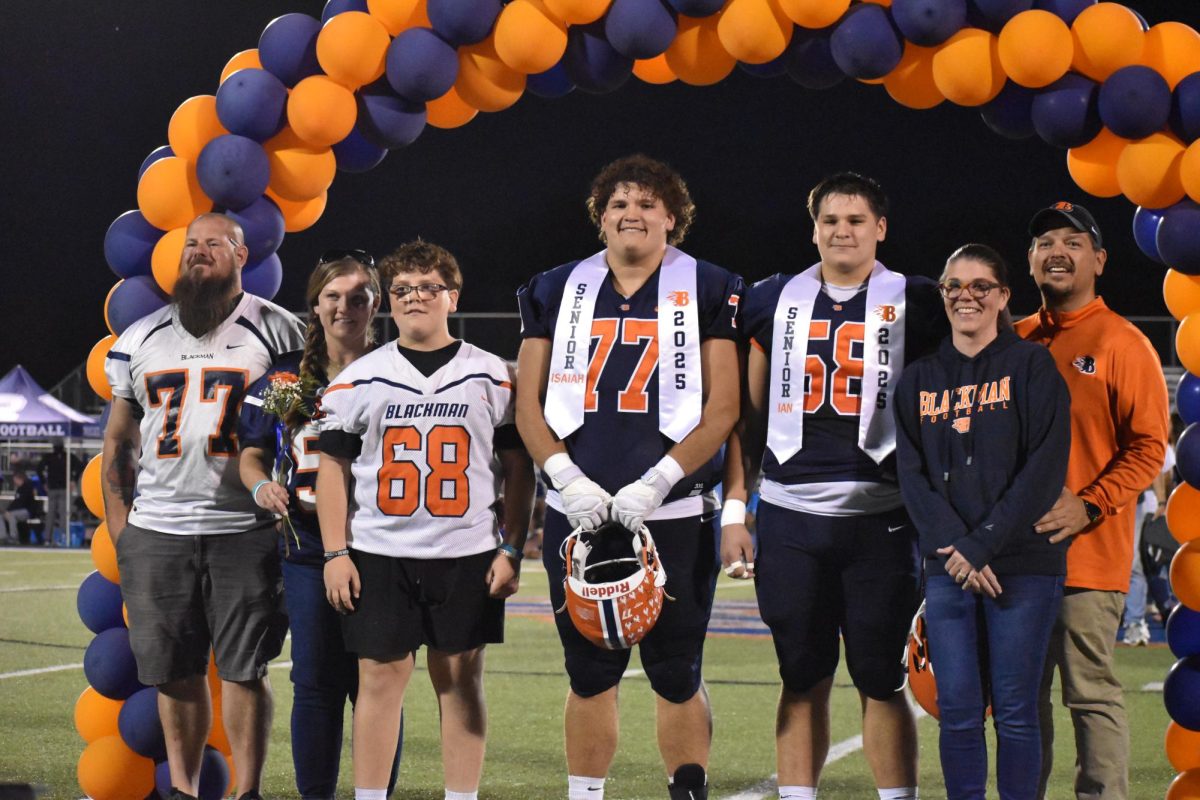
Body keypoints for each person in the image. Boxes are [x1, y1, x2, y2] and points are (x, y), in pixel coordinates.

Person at [515, 154, 743, 800]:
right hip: (578, 510)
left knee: (675, 668)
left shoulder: (709, 285)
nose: (632, 214)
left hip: (671, 511)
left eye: (646, 203)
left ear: (672, 217)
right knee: (589, 670)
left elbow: (724, 407)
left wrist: (658, 480)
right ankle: (585, 795)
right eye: (618, 204)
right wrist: (565, 475)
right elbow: (526, 403)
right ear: (600, 220)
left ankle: (687, 792)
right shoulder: (555, 287)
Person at [722, 172, 945, 800]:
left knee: (881, 676)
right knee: (801, 673)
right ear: (813, 228)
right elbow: (748, 416)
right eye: (830, 221)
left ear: (880, 228)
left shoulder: (919, 300)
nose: (841, 231)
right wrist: (736, 510)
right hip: (792, 514)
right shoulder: (771, 299)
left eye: (855, 220)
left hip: (883, 516)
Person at [317, 240, 534, 800]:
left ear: (451, 296)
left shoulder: (492, 374)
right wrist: (336, 553)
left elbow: (518, 468)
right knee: (379, 682)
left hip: (464, 551)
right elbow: (333, 471)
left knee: (461, 682)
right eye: (403, 289)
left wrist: (511, 548)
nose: (416, 297)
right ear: (390, 301)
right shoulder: (357, 378)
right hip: (381, 550)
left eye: (429, 287)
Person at [101, 213, 305, 800]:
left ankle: (248, 792)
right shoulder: (139, 337)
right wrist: (123, 529)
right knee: (175, 672)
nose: (200, 252)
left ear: (243, 255)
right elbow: (119, 439)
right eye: (192, 243)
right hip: (158, 530)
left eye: (215, 243)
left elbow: (295, 429)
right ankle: (185, 790)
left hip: (245, 527)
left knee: (245, 669)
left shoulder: (278, 329)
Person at [895, 244, 1071, 799]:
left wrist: (983, 545)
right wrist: (957, 548)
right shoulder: (918, 380)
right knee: (960, 713)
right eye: (955, 286)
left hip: (1021, 567)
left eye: (979, 286)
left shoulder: (1032, 366)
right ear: (943, 295)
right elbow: (912, 476)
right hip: (950, 569)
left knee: (1017, 711)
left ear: (1002, 297)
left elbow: (1043, 469)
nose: (966, 296)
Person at [1015, 201, 1169, 800]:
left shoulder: (1123, 342)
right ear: (1029, 262)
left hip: (1088, 557)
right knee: (1020, 701)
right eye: (1045, 241)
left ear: (1099, 260)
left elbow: (1149, 448)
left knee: (1090, 695)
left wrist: (1089, 504)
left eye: (1073, 242)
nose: (1057, 251)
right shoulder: (1014, 339)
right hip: (1015, 563)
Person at [238, 250, 403, 799]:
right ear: (314, 305)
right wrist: (261, 485)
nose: (345, 307)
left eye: (358, 297)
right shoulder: (287, 378)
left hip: (381, 545)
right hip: (308, 548)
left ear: (376, 304)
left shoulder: (396, 368)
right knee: (314, 683)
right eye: (333, 296)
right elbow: (251, 451)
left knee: (377, 684)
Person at [38, 440, 82, 546]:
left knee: (51, 514)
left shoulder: (49, 457)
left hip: (54, 488)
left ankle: (48, 539)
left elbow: (39, 469)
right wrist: (73, 480)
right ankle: (61, 538)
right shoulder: (68, 457)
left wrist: (44, 481)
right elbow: (80, 466)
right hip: (63, 488)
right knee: (63, 514)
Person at [2, 470, 38, 544]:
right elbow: (15, 502)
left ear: (19, 479)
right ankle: (2, 536)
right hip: (17, 511)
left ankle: (14, 537)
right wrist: (7, 511)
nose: (14, 482)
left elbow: (21, 503)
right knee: (2, 516)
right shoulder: (19, 489)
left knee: (12, 515)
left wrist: (9, 512)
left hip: (27, 511)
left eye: (15, 479)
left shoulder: (27, 488)